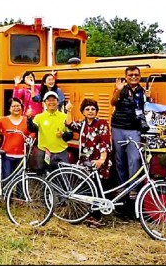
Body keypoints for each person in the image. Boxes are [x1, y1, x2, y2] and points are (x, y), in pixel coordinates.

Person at [65, 98, 112, 228]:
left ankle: (96, 217)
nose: (90, 111)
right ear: (83, 112)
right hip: (85, 162)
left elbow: (104, 142)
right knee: (86, 188)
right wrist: (68, 110)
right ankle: (84, 213)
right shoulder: (83, 124)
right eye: (87, 109)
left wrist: (102, 159)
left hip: (97, 161)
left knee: (97, 188)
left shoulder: (102, 123)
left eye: (93, 109)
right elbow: (69, 124)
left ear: (97, 111)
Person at [110, 65, 150, 200]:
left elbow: (146, 110)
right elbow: (113, 102)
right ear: (126, 77)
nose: (133, 77)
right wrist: (118, 90)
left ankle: (133, 188)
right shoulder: (121, 89)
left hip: (134, 129)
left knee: (134, 160)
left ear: (140, 76)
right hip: (118, 128)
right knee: (119, 159)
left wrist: (148, 99)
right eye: (130, 75)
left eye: (136, 75)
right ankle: (121, 186)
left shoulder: (143, 91)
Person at [26, 91, 70, 175]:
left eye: (54, 100)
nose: (51, 102)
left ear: (58, 101)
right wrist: (28, 119)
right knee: (44, 177)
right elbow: (32, 129)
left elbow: (70, 134)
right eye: (49, 100)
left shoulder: (64, 116)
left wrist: (63, 134)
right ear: (44, 102)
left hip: (61, 151)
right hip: (44, 152)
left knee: (64, 177)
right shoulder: (39, 117)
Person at [0, 97, 31, 179]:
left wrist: (29, 139)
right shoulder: (3, 120)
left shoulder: (26, 120)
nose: (16, 108)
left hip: (22, 155)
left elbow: (32, 132)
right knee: (7, 179)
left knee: (20, 180)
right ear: (9, 108)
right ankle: (6, 192)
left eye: (18, 106)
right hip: (7, 155)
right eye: (13, 106)